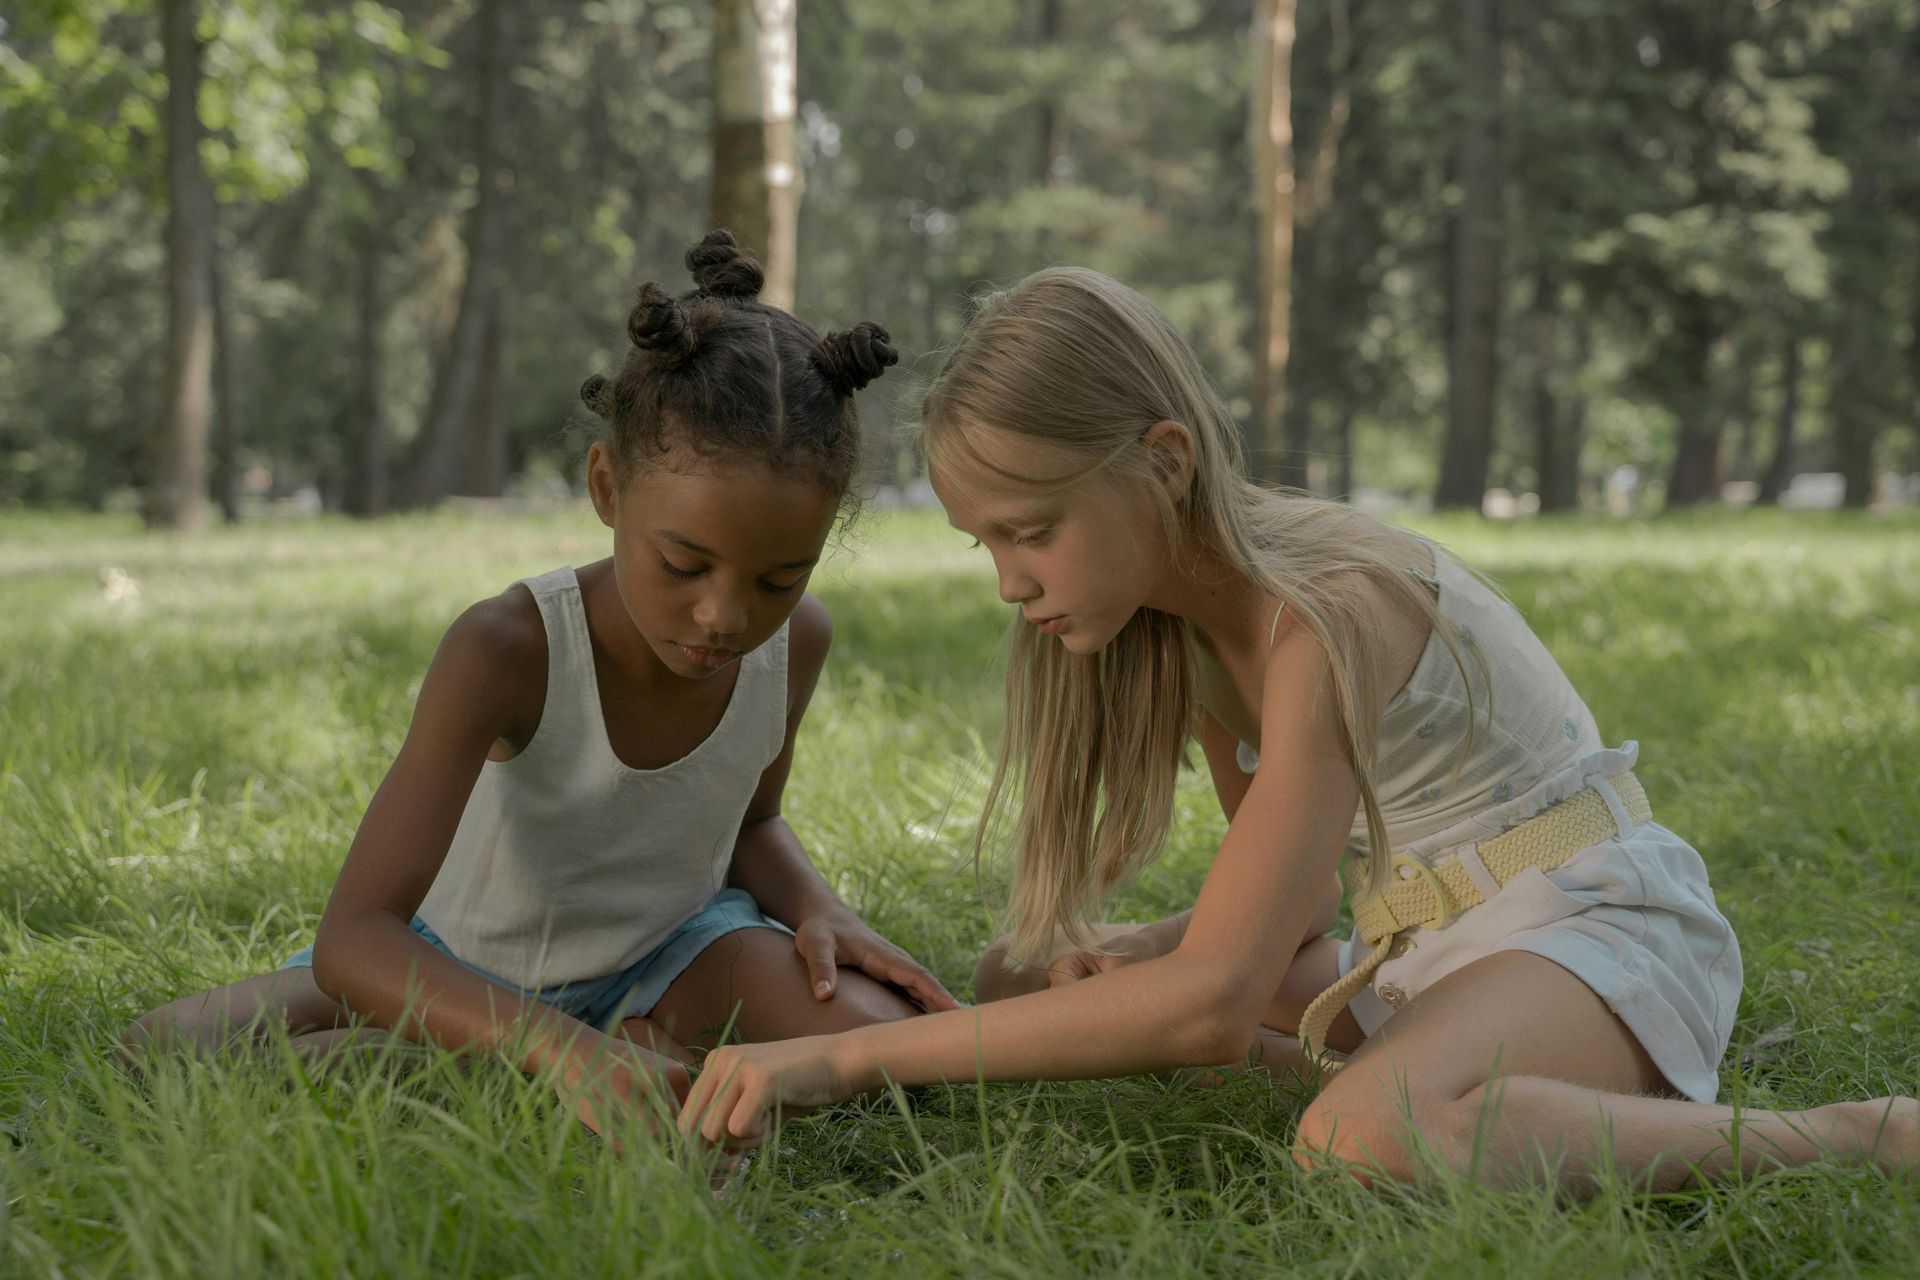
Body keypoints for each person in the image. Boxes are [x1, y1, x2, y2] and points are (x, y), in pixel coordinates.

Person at [677, 266, 1915, 1190]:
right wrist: (1147, 945)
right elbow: (1300, 901)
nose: (1009, 580)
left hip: (1590, 926)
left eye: (1032, 529)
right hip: (1424, 949)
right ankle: (1441, 1082)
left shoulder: (1326, 613)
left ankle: (1852, 1138)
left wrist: (850, 1059)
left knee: (1350, 1135)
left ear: (1163, 460)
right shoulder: (1188, 629)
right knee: (1031, 976)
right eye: (986, 540)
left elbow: (1218, 999)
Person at [123, 231, 956, 1142]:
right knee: (166, 1050)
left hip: (673, 954)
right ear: (607, 488)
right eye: (684, 564)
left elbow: (751, 823)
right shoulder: (509, 647)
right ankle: (538, 1063)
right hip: (470, 970)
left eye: (776, 579)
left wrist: (816, 906)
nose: (723, 616)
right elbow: (357, 936)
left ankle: (622, 1050)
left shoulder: (798, 640)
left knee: (898, 1051)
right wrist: (552, 1043)